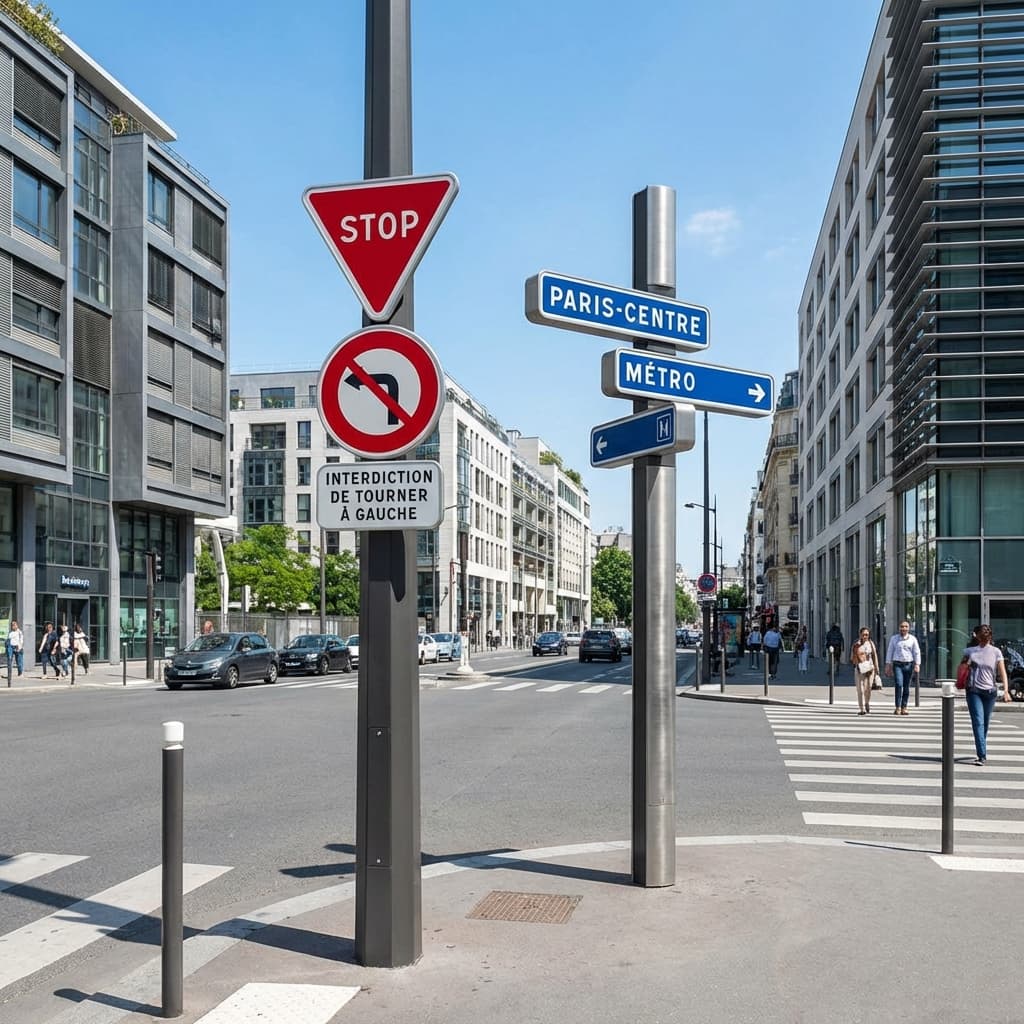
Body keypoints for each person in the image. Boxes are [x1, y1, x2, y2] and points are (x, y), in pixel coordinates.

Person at [960, 623, 1011, 766]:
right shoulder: (970, 651)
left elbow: (1002, 673)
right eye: (982, 637)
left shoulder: (996, 652)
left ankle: (981, 747)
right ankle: (981, 755)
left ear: (989, 637)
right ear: (978, 637)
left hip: (990, 692)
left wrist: (1006, 691)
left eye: (985, 637)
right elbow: (962, 669)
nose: (984, 640)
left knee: (985, 724)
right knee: (978, 722)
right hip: (973, 691)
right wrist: (966, 665)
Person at [884, 620, 921, 715]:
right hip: (897, 665)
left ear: (908, 628)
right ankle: (898, 707)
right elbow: (890, 651)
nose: (903, 628)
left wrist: (917, 664)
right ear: (899, 628)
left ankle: (904, 707)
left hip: (908, 665)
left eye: (906, 626)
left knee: (906, 686)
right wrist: (888, 664)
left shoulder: (912, 639)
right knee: (899, 684)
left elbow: (916, 652)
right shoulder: (894, 639)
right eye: (902, 626)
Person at [850, 626, 880, 715]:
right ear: (860, 635)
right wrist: (856, 662)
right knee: (860, 689)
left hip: (870, 668)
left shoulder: (871, 643)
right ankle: (861, 708)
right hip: (859, 668)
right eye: (863, 634)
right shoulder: (856, 644)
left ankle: (867, 702)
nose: (865, 636)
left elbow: (875, 655)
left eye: (867, 635)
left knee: (868, 688)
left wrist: (876, 668)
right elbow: (852, 657)